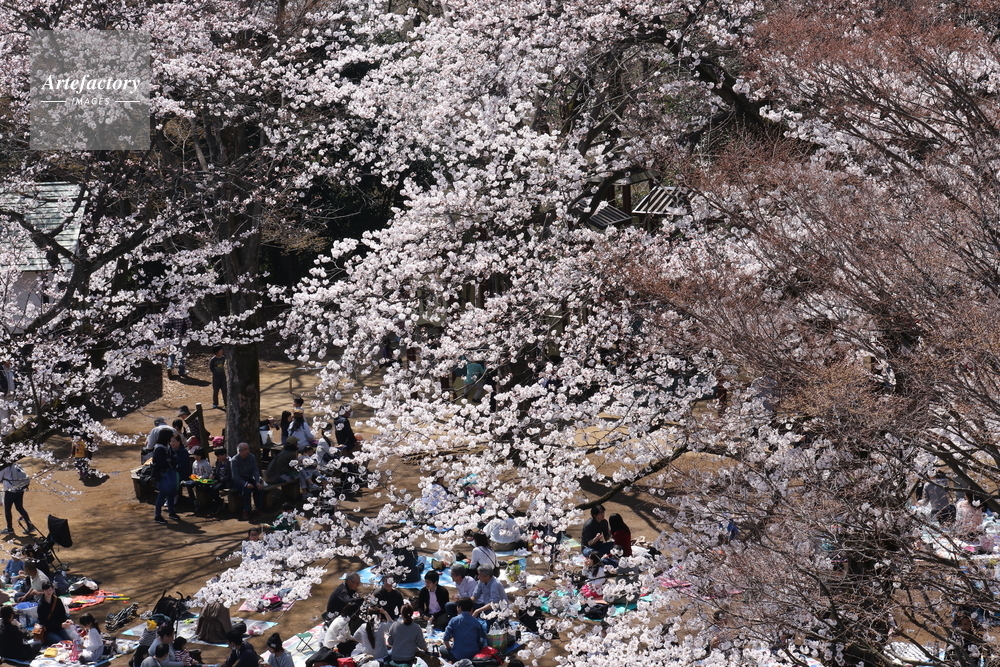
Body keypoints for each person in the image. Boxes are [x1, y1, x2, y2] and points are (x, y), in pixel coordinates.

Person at [441, 598, 486, 662]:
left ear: (459, 608)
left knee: (442, 649)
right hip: (473, 654)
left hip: (457, 656)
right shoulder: (476, 621)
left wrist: (448, 647)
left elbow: (445, 638)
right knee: (481, 641)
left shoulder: (454, 620)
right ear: (471, 609)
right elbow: (478, 639)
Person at [153, 429, 181, 525]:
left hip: (167, 474)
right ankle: (157, 515)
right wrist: (169, 461)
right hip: (163, 475)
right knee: (162, 495)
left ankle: (171, 512)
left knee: (170, 494)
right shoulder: (160, 449)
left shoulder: (164, 447)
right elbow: (162, 463)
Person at [231, 442, 264, 521]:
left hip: (249, 478)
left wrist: (257, 481)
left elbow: (255, 470)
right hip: (239, 481)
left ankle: (258, 508)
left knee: (259, 488)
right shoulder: (234, 460)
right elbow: (235, 476)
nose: (247, 451)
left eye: (248, 449)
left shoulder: (251, 457)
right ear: (240, 451)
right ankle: (246, 510)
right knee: (247, 491)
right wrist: (245, 484)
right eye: (245, 449)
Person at [0, 461, 34, 535]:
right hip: (20, 489)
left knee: (7, 510)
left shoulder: (3, 467)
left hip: (10, 491)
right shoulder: (15, 463)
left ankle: (9, 528)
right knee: (19, 508)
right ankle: (30, 526)